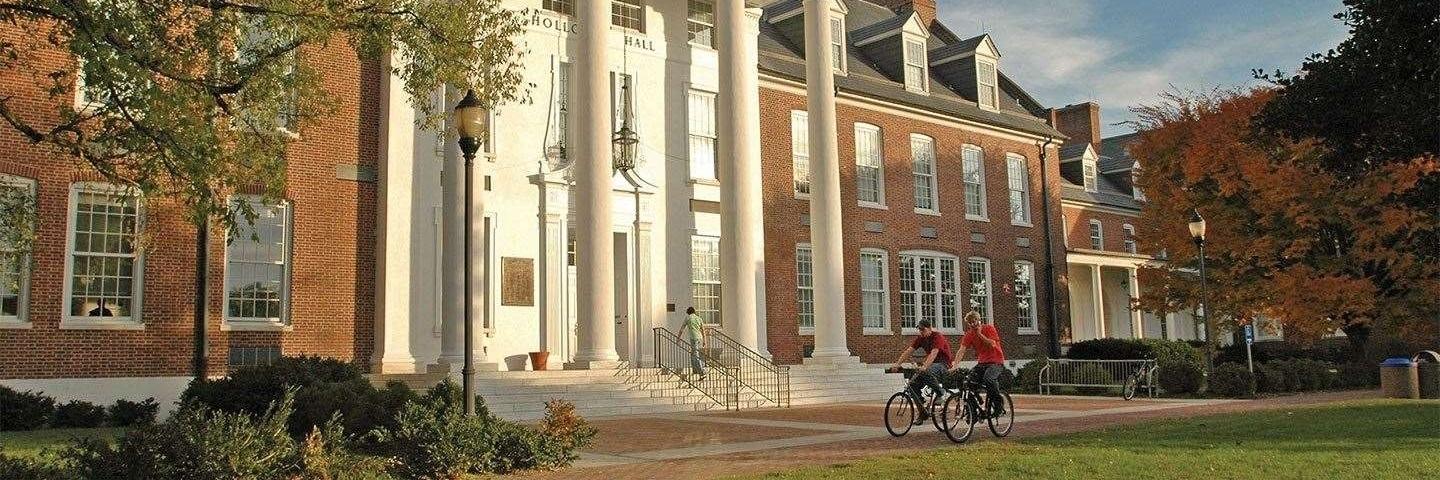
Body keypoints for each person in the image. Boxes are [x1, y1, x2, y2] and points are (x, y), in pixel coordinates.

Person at [889, 320, 953, 424]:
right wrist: (898, 364)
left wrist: (924, 367)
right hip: (930, 366)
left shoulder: (937, 337)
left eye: (923, 329)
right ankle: (922, 412)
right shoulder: (921, 339)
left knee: (925, 371)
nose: (921, 332)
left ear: (930, 328)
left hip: (943, 365)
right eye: (919, 329)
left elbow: (934, 353)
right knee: (912, 385)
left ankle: (940, 393)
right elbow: (908, 351)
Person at [952, 311, 1007, 415]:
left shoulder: (989, 328)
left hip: (996, 362)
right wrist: (955, 365)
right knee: (967, 383)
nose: (973, 324)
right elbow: (961, 350)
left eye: (975, 321)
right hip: (982, 363)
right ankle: (973, 411)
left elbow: (992, 344)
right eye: (970, 322)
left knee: (989, 379)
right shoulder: (969, 334)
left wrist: (979, 334)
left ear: (979, 320)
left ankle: (998, 404)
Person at [684, 307, 706, 380]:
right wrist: (704, 340)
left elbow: (682, 328)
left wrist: (678, 338)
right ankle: (695, 370)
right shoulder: (699, 318)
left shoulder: (688, 318)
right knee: (693, 354)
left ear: (688, 312)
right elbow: (703, 330)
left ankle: (702, 371)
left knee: (695, 355)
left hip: (693, 338)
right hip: (699, 337)